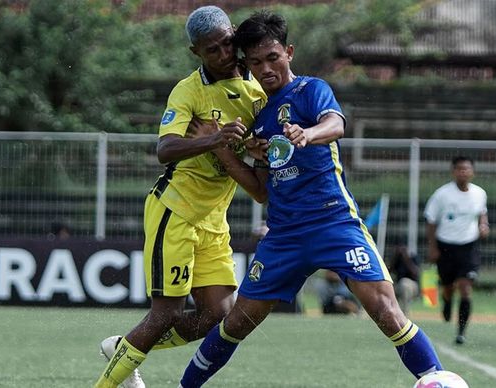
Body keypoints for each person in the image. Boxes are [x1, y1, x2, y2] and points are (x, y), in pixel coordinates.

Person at [177, 11, 443, 387]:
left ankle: (436, 379)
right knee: (236, 323)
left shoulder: (310, 90)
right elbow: (259, 190)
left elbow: (336, 124)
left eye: (272, 57)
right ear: (246, 65)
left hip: (334, 222)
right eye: (255, 62)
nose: (265, 68)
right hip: (284, 235)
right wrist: (226, 151)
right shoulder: (260, 116)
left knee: (385, 309)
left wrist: (309, 133)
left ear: (288, 52)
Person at [94, 6, 267, 388]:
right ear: (196, 53)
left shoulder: (259, 88)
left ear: (234, 35)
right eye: (211, 50)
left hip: (214, 219)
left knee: (218, 316)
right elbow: (165, 148)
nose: (223, 55)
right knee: (166, 314)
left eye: (226, 44)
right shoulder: (189, 90)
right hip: (176, 210)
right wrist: (214, 139)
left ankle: (124, 348)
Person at [424, 156, 489, 345]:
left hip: (469, 246)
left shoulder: (479, 193)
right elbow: (431, 221)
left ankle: (461, 332)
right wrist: (433, 247)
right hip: (446, 246)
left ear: (473, 172)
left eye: (467, 169)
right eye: (459, 169)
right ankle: (446, 301)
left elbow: (482, 214)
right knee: (448, 287)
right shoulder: (442, 195)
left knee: (465, 288)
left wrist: (484, 226)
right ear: (453, 172)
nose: (463, 172)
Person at [387, 243, 420, 315]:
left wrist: (406, 257)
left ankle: (404, 312)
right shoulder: (396, 260)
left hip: (411, 287)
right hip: (398, 285)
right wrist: (394, 257)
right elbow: (387, 272)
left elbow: (415, 273)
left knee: (404, 283)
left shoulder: (412, 257)